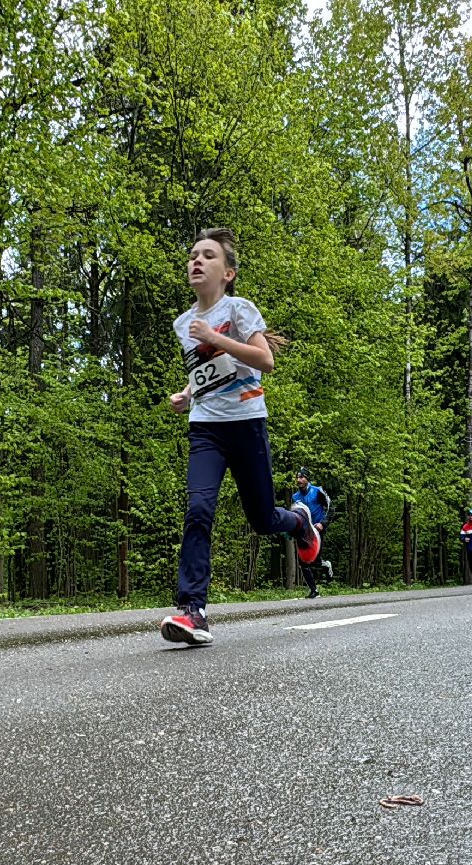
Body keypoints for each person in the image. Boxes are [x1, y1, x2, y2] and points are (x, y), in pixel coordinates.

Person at [159, 228, 320, 646]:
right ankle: (193, 611)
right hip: (206, 428)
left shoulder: (239, 309)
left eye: (208, 256)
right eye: (193, 255)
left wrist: (216, 337)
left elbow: (264, 360)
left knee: (263, 519)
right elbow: (205, 372)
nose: (196, 261)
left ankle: (300, 521)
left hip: (247, 424)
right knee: (198, 510)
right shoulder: (183, 323)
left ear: (227, 272)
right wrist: (188, 393)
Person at [292, 468, 333, 598]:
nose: (299, 480)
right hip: (305, 531)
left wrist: (323, 523)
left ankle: (326, 565)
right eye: (298, 477)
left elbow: (331, 508)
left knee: (314, 560)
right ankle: (314, 591)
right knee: (303, 561)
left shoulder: (317, 491)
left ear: (307, 478)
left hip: (318, 529)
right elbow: (296, 515)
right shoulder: (295, 497)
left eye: (302, 477)